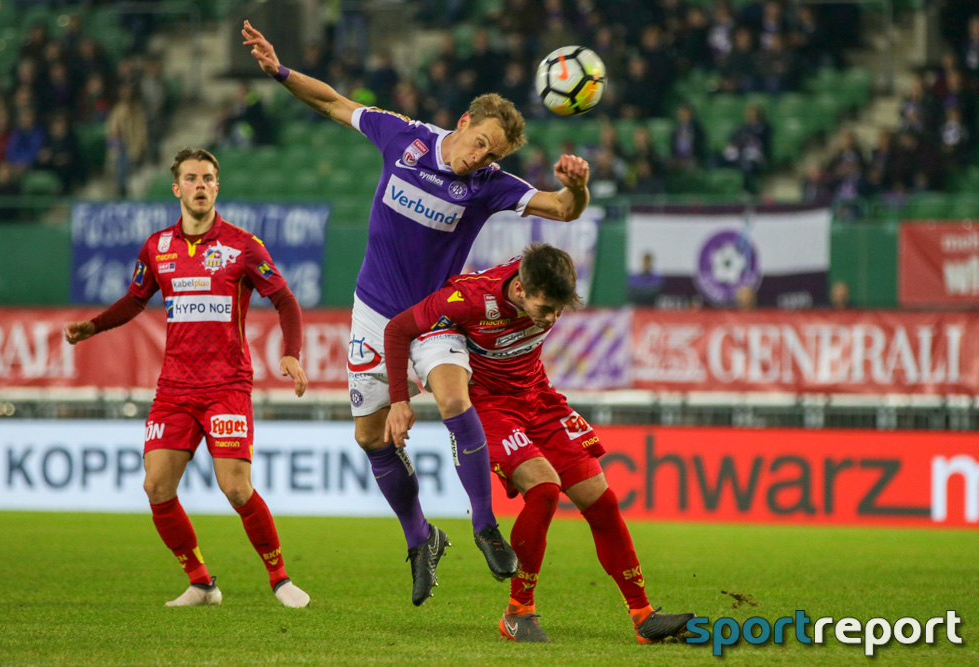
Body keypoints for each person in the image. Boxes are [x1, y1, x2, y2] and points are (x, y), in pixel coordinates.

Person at [242, 20, 591, 606]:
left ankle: (485, 526)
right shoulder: (400, 136)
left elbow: (562, 209)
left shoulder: (488, 184)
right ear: (462, 124)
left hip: (437, 315)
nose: (481, 158)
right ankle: (421, 538)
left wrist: (577, 188)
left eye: (495, 155)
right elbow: (331, 101)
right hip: (373, 314)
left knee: (455, 400)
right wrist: (278, 70)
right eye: (480, 143)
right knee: (370, 437)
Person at [382, 244, 696, 643]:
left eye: (559, 310)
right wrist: (398, 401)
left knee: (602, 501)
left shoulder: (544, 276)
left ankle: (644, 616)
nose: (552, 318)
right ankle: (518, 613)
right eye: (546, 309)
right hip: (491, 409)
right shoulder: (470, 301)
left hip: (538, 397)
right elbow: (397, 330)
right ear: (519, 291)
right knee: (545, 490)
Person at [63, 148, 311, 609]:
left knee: (236, 488)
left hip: (227, 386)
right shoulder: (157, 247)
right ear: (177, 188)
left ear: (218, 187)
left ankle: (280, 579)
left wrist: (291, 353)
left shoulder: (242, 246)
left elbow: (287, 302)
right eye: (192, 178)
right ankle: (201, 583)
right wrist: (93, 326)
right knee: (156, 487)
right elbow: (135, 301)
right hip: (175, 388)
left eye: (209, 178)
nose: (201, 185)